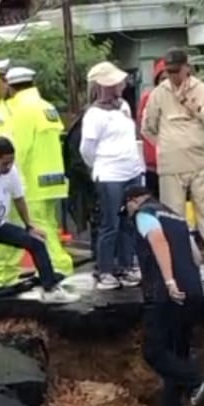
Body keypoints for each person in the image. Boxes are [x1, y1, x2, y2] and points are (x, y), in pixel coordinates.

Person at [0, 137, 77, 353]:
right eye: (4, 163)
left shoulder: (10, 173)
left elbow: (19, 199)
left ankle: (49, 286)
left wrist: (29, 226)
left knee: (36, 243)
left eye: (11, 162)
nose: (8, 167)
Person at [125, 184, 204, 406]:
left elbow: (158, 242)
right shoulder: (175, 216)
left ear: (133, 201)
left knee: (154, 351)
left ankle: (197, 382)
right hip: (193, 291)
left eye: (128, 210)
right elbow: (196, 255)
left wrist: (169, 280)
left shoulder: (145, 214)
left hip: (166, 293)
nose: (129, 216)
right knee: (176, 351)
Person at [140, 47, 204, 280]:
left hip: (199, 156)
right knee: (172, 212)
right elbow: (147, 126)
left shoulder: (203, 89)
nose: (172, 76)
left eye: (176, 71)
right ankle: (180, 259)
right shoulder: (159, 93)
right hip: (171, 160)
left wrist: (191, 105)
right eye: (168, 71)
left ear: (186, 67)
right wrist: (164, 144)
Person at [0, 65, 76, 289]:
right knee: (49, 223)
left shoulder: (21, 111)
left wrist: (9, 180)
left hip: (33, 181)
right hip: (54, 178)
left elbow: (19, 149)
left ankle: (59, 267)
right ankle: (57, 266)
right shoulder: (46, 107)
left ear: (11, 87)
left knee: (39, 226)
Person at [81, 61, 144, 290]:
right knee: (110, 223)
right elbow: (87, 150)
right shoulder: (94, 115)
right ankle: (105, 270)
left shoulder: (124, 107)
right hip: (110, 174)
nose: (121, 85)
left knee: (129, 222)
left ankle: (127, 266)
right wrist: (99, 166)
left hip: (131, 170)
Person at [137, 59, 168, 199]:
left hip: (175, 164)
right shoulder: (148, 99)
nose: (166, 82)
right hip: (153, 164)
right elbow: (144, 127)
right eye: (162, 78)